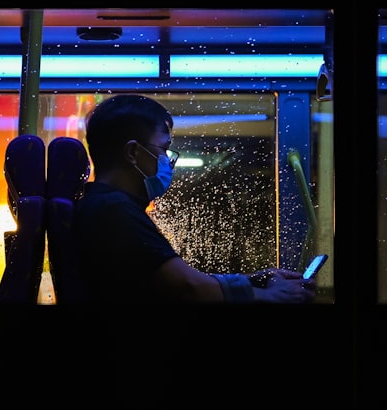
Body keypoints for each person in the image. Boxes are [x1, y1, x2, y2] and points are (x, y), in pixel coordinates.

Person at [72, 93, 315, 303]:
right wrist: (271, 296)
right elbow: (188, 287)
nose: (167, 161)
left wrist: (253, 280)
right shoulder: (114, 211)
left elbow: (168, 277)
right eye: (163, 150)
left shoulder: (105, 205)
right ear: (133, 152)